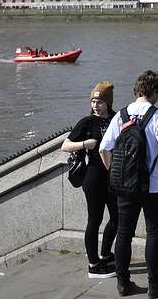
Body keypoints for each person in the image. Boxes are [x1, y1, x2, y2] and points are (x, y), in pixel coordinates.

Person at [100, 71, 158, 298]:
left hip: (125, 186)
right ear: (155, 91)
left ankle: (123, 284)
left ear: (137, 90)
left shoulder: (121, 115)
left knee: (124, 232)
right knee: (154, 233)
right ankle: (156, 286)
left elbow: (103, 149)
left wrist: (116, 174)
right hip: (154, 186)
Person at [61, 82, 118, 279]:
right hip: (93, 176)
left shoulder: (116, 118)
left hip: (113, 176)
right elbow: (65, 145)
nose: (96, 105)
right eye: (93, 101)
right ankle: (93, 264)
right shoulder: (86, 122)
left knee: (117, 218)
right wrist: (85, 143)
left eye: (100, 101)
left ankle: (106, 254)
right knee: (95, 219)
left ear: (108, 103)